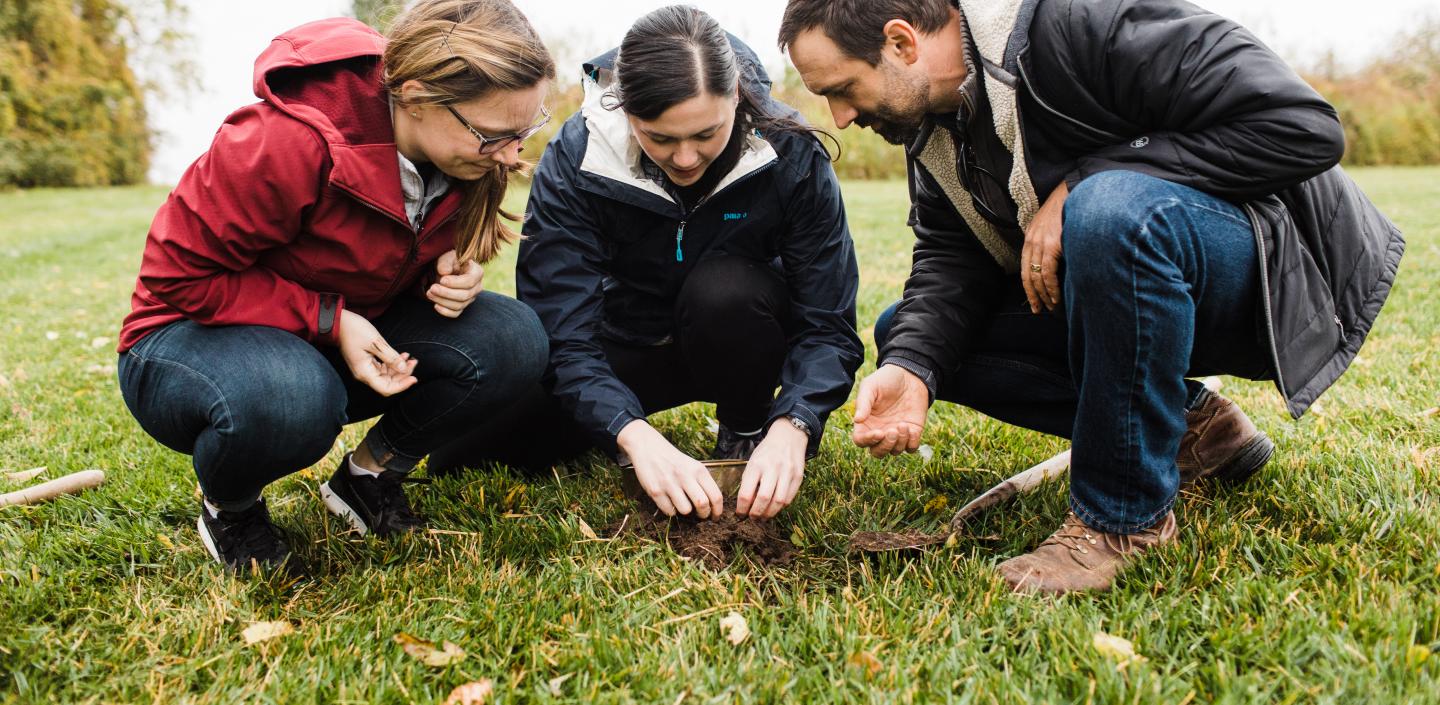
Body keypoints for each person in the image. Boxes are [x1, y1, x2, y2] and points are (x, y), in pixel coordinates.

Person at [780, 0, 1403, 593]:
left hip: (1272, 274)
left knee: (1108, 212)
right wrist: (911, 366)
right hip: (1133, 283)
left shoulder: (1083, 21)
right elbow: (952, 260)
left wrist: (1086, 180)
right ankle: (1196, 432)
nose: (840, 117)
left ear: (900, 42)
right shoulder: (930, 128)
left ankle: (1124, 521)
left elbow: (1304, 127)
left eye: (842, 89)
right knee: (909, 338)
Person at [115, 0, 556, 573]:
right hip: (185, 338)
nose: (514, 154)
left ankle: (367, 478)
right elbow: (178, 277)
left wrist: (447, 271)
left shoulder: (471, 152)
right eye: (496, 135)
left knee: (512, 337)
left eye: (526, 130)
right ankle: (232, 507)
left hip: (332, 330)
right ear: (418, 97)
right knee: (291, 397)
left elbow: (384, 245)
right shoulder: (285, 140)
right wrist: (331, 320)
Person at [430, 6, 863, 521]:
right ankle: (623, 427)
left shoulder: (790, 151)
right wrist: (631, 434)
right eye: (660, 137)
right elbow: (565, 336)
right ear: (626, 110)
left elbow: (829, 326)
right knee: (457, 458)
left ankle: (748, 431)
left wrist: (794, 424)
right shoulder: (576, 157)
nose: (685, 158)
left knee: (724, 289)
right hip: (632, 342)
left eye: (706, 134)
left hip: (740, 332)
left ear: (736, 100)